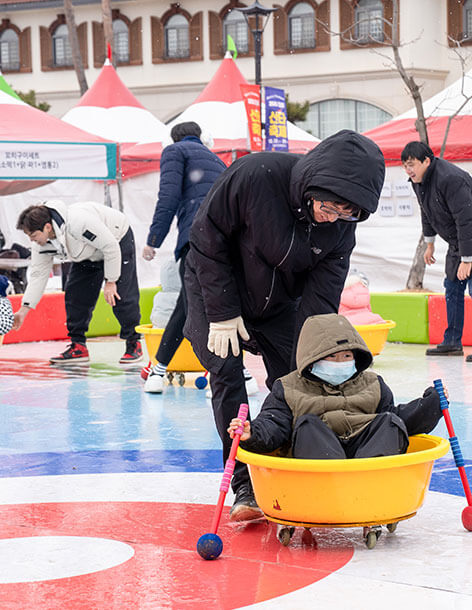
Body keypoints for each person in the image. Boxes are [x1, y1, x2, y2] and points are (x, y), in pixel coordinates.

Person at [185, 129, 384, 520]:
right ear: (314, 184)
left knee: (299, 377)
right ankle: (244, 478)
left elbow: (323, 294)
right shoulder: (256, 175)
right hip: (218, 287)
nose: (334, 218)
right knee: (227, 374)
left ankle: (290, 464)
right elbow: (207, 239)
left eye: (348, 213)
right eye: (329, 207)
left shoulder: (341, 227)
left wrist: (315, 349)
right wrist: (223, 312)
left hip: (279, 302)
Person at [226, 314, 443, 459]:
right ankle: (334, 481)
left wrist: (430, 405)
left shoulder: (373, 384)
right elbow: (275, 423)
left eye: (347, 356)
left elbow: (396, 417)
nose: (341, 362)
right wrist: (253, 432)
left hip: (364, 455)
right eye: (331, 357)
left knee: (389, 422)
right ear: (313, 358)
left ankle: (369, 483)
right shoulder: (288, 387)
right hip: (319, 458)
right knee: (307, 424)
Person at [402, 141, 472, 363]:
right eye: (405, 166)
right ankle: (452, 342)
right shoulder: (419, 180)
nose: (408, 171)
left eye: (411, 165)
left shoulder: (450, 178)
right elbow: (426, 212)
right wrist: (430, 243)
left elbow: (466, 219)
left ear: (427, 161)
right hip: (461, 240)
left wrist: (467, 259)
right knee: (452, 287)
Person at [142, 121, 231, 393]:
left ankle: (158, 371)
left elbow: (167, 197)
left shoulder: (175, 152)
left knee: (188, 306)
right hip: (226, 242)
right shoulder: (217, 160)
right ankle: (233, 373)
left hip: (198, 238)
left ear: (174, 138)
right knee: (217, 305)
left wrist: (153, 240)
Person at [12, 201, 142, 365]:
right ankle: (78, 346)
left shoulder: (78, 223)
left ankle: (133, 342)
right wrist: (23, 310)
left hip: (117, 240)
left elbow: (110, 246)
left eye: (33, 235)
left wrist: (111, 281)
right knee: (75, 295)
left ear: (47, 227)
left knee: (121, 295)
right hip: (86, 253)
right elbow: (38, 275)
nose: (32, 240)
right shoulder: (41, 244)